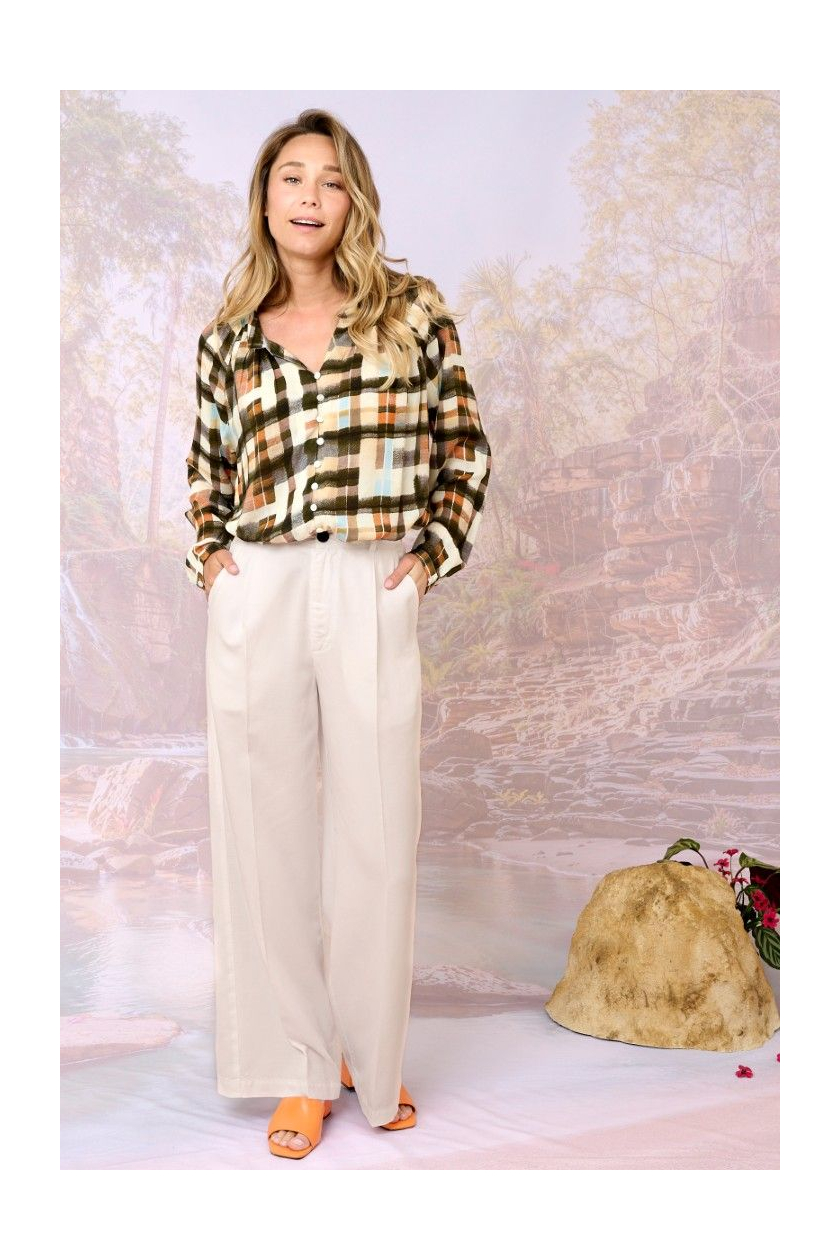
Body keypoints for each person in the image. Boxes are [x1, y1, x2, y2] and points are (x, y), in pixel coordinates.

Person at [184, 108, 492, 1159]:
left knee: (377, 827)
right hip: (260, 581)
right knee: (263, 830)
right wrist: (212, 560)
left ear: (353, 199)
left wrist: (432, 552)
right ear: (265, 200)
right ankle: (299, 1067)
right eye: (290, 178)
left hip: (370, 575)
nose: (308, 196)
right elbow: (206, 470)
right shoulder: (228, 338)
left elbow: (464, 443)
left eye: (329, 179)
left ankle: (371, 1053)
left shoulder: (412, 311)